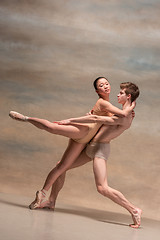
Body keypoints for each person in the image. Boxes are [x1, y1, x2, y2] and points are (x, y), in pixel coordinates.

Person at [9, 78, 135, 213]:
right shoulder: (103, 102)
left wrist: (94, 113)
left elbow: (111, 120)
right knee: (53, 127)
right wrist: (131, 107)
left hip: (86, 140)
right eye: (101, 85)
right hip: (82, 131)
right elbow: (121, 114)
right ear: (97, 91)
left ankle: (48, 199)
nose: (105, 86)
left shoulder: (109, 106)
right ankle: (26, 118)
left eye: (106, 84)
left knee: (62, 166)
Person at [38, 82, 142, 229]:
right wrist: (91, 114)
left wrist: (70, 120)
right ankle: (51, 201)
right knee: (61, 167)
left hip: (100, 149)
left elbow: (96, 120)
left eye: (121, 93)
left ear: (128, 96)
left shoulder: (125, 117)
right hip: (91, 147)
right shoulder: (122, 112)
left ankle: (134, 209)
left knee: (102, 187)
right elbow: (97, 118)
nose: (117, 95)